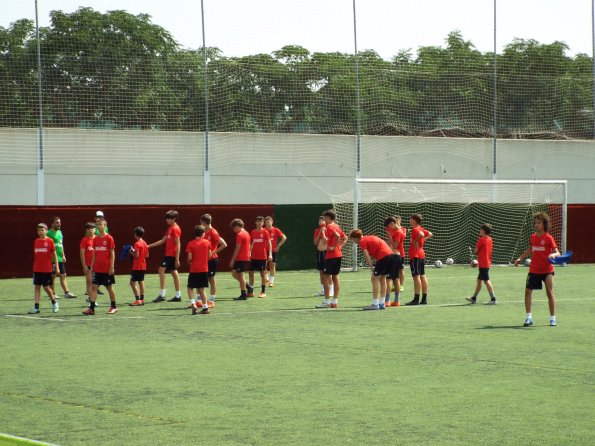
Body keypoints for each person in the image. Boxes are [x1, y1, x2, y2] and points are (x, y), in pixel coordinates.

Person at [514, 212, 560, 327]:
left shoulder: (549, 238)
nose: (536, 225)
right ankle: (528, 317)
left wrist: (553, 255)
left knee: (549, 292)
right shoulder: (533, 237)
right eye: (535, 223)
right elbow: (530, 249)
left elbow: (557, 252)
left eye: (539, 223)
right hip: (534, 269)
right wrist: (520, 258)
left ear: (544, 224)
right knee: (528, 291)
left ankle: (552, 318)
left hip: (547, 270)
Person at [349, 229, 396, 310]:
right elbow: (377, 248)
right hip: (390, 255)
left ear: (356, 238)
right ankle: (382, 303)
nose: (354, 242)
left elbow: (366, 255)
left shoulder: (362, 241)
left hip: (383, 256)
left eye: (353, 240)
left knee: (374, 278)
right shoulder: (369, 237)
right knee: (383, 279)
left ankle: (375, 304)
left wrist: (371, 267)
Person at [83, 218, 118, 315]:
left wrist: (112, 267)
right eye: (97, 225)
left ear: (105, 226)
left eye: (100, 224)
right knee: (94, 287)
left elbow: (112, 253)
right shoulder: (96, 239)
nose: (98, 226)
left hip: (106, 269)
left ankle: (114, 306)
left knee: (109, 287)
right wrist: (92, 265)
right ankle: (92, 308)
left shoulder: (109, 238)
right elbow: (95, 253)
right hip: (97, 268)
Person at [316, 209, 347, 309]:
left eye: (324, 217)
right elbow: (344, 237)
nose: (323, 219)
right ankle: (334, 301)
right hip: (338, 255)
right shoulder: (336, 226)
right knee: (335, 277)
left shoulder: (329, 227)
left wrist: (333, 247)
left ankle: (326, 301)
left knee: (325, 277)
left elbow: (337, 236)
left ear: (328, 218)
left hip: (331, 256)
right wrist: (338, 247)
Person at [148, 210, 182, 303]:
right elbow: (163, 240)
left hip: (171, 255)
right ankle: (178, 295)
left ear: (174, 219)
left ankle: (162, 294)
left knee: (161, 270)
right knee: (174, 273)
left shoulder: (175, 228)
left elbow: (178, 244)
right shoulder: (170, 228)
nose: (167, 220)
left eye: (169, 218)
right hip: (169, 254)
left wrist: (177, 258)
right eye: (166, 218)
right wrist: (149, 246)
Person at [29, 223, 59, 314]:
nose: (41, 232)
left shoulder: (50, 241)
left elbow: (54, 255)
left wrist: (57, 267)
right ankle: (36, 307)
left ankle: (54, 302)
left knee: (46, 287)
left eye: (42, 230)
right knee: (37, 287)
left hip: (46, 269)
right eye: (39, 230)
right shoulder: (36, 241)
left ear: (46, 231)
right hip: (37, 269)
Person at [466, 224, 497, 305]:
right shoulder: (490, 239)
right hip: (486, 263)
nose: (480, 230)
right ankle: (474, 298)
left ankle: (493, 299)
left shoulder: (481, 239)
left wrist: (474, 259)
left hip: (483, 264)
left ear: (484, 230)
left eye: (481, 229)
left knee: (486, 281)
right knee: (479, 281)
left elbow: (476, 251)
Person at [200, 214, 227, 308]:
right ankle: (199, 301)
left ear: (204, 222)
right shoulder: (203, 232)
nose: (200, 224)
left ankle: (211, 300)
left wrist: (213, 252)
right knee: (201, 279)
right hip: (204, 260)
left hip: (212, 259)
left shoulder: (213, 232)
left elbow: (224, 244)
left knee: (211, 279)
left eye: (201, 222)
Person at [405, 214, 433, 306]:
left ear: (414, 220)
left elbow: (421, 234)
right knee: (422, 276)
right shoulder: (420, 228)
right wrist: (422, 240)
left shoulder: (415, 229)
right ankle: (424, 299)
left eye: (411, 219)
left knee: (416, 277)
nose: (409, 220)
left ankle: (416, 299)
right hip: (421, 254)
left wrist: (415, 241)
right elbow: (430, 234)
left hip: (415, 255)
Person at [47, 216, 76, 298]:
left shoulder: (60, 232)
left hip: (60, 258)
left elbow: (61, 245)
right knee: (53, 276)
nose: (59, 224)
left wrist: (63, 255)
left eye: (59, 222)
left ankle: (66, 292)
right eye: (57, 222)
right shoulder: (48, 233)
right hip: (53, 259)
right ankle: (52, 293)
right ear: (52, 224)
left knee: (63, 275)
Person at [186, 225, 212, 315]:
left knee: (190, 287)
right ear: (203, 233)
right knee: (201, 289)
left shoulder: (190, 243)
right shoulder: (207, 243)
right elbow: (209, 256)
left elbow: (189, 258)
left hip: (194, 269)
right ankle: (205, 308)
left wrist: (190, 263)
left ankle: (193, 303)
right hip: (204, 269)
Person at [248, 216, 272, 298]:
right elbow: (251, 243)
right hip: (253, 257)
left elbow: (269, 243)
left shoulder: (265, 232)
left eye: (261, 221)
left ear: (262, 223)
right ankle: (251, 291)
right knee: (251, 273)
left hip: (262, 257)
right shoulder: (253, 232)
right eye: (258, 221)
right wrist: (249, 252)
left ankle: (263, 291)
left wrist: (270, 254)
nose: (259, 223)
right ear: (255, 222)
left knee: (262, 274)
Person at [384, 215, 406, 307]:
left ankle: (387, 301)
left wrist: (390, 237)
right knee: (396, 278)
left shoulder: (398, 232)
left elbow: (395, 245)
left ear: (392, 223)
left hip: (394, 256)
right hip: (395, 256)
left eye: (388, 226)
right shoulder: (395, 231)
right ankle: (396, 301)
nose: (388, 228)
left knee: (388, 279)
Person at [229, 219, 251, 301]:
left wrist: (232, 260)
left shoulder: (240, 235)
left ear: (237, 226)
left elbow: (237, 248)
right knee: (234, 273)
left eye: (234, 228)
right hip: (242, 257)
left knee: (240, 276)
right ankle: (248, 287)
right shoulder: (246, 233)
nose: (234, 230)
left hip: (242, 257)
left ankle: (243, 294)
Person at [129, 226, 149, 306]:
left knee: (132, 282)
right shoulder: (144, 243)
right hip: (143, 265)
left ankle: (137, 300)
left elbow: (136, 255)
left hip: (137, 266)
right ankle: (142, 299)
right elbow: (147, 255)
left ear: (135, 234)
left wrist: (130, 252)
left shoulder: (137, 244)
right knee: (141, 282)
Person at [264, 216, 287, 287]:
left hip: (273, 250)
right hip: (263, 251)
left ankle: (271, 282)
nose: (267, 223)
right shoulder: (263, 230)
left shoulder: (276, 230)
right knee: (263, 266)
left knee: (272, 266)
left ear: (272, 222)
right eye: (266, 222)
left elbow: (284, 237)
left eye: (269, 222)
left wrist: (278, 246)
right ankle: (266, 278)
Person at [313, 216, 333, 297]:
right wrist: (320, 232)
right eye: (320, 220)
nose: (321, 222)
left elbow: (326, 242)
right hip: (319, 252)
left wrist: (323, 232)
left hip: (326, 252)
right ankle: (323, 290)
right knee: (321, 272)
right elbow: (315, 242)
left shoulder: (328, 229)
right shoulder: (317, 230)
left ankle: (331, 290)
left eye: (323, 220)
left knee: (328, 273)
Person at [79, 222, 96, 300]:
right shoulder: (84, 240)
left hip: (96, 265)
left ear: (95, 229)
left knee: (95, 284)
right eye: (89, 229)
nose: (91, 230)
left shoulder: (97, 239)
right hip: (88, 265)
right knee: (89, 282)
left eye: (92, 228)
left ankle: (91, 298)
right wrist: (84, 266)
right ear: (86, 230)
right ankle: (91, 299)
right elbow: (82, 254)